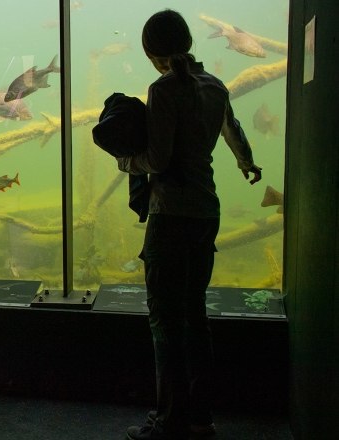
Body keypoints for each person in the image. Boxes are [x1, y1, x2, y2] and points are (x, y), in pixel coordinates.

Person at [117, 10, 263, 440]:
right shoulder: (214, 86)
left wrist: (126, 162)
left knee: (164, 319)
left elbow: (158, 160)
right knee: (195, 316)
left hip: (171, 217)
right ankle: (201, 418)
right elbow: (231, 128)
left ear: (152, 54)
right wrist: (247, 161)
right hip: (206, 213)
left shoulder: (164, 89)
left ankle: (167, 421)